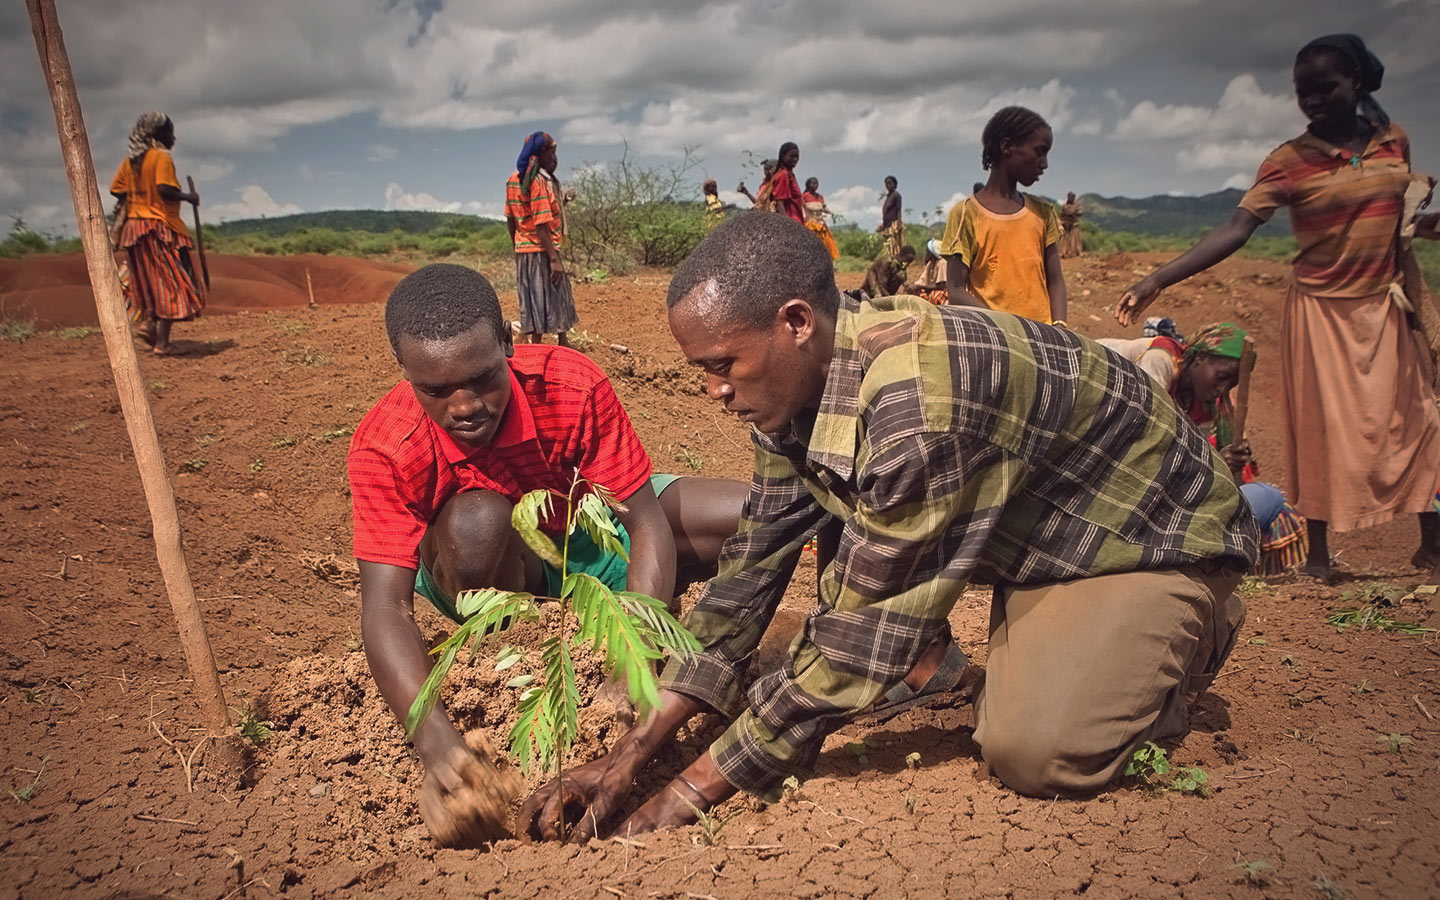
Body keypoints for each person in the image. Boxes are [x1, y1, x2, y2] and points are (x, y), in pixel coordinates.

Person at [518, 212, 1257, 842]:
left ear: (797, 323)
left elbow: (857, 641)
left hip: (1150, 537)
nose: (715, 390)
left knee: (1038, 753)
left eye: (722, 365)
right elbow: (744, 582)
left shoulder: (918, 404)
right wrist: (628, 757)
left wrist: (680, 798)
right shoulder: (790, 389)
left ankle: (1196, 621)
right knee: (908, 624)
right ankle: (1061, 646)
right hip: (1043, 540)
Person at [348, 263, 746, 848]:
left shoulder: (570, 385)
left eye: (483, 378)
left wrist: (628, 657)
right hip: (485, 566)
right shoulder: (388, 443)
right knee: (480, 519)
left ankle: (639, 597)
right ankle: (526, 638)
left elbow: (644, 520)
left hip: (586, 529)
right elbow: (386, 608)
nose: (464, 406)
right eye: (436, 390)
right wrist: (435, 740)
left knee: (757, 510)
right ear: (406, 375)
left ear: (509, 344)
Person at [1114, 34, 1440, 583]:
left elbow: (1395, 217)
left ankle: (1431, 546)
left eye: (1324, 88)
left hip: (1383, 308)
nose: (1312, 100)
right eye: (1302, 92)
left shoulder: (1393, 143)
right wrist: (1158, 278)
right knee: (1317, 427)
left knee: (1418, 420)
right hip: (1321, 314)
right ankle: (1316, 556)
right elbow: (1238, 227)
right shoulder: (1288, 162)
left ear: (1355, 82)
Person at [1098, 322, 1305, 570]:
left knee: (1267, 500)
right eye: (1221, 378)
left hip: (1151, 474)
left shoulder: (1204, 405)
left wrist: (1219, 463)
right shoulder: (1160, 360)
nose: (1222, 390)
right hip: (1109, 449)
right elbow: (1145, 443)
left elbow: (1190, 458)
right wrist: (1211, 462)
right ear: (1200, 358)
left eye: (1230, 386)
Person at [941, 106, 1068, 326]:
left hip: (1043, 339)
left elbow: (1055, 281)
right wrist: (1009, 328)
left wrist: (1060, 328)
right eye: (1040, 151)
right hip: (994, 339)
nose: (1045, 163)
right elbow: (956, 291)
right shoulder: (966, 214)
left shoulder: (1043, 213)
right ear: (1007, 147)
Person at [108, 111, 204, 356]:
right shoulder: (161, 157)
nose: (174, 137)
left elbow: (116, 189)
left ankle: (147, 326)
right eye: (170, 132)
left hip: (134, 230)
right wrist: (188, 197)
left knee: (147, 283)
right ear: (158, 134)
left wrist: (138, 194)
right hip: (159, 228)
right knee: (171, 283)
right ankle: (162, 343)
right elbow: (164, 189)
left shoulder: (132, 161)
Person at [506, 131, 577, 347]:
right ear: (541, 153)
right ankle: (548, 344)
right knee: (553, 294)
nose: (554, 159)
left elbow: (511, 218)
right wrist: (554, 258)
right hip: (543, 249)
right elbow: (541, 224)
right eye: (552, 154)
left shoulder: (513, 180)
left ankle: (536, 341)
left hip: (524, 249)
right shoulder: (537, 182)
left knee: (531, 296)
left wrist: (517, 244)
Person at [801, 177, 839, 260]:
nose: (815, 185)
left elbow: (823, 208)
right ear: (808, 185)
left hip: (821, 224)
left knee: (826, 243)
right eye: (813, 183)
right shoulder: (804, 196)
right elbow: (801, 208)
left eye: (816, 183)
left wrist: (831, 213)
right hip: (810, 224)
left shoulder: (820, 197)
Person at [768, 143, 804, 224]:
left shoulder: (790, 175)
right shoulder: (783, 175)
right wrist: (788, 225)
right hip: (791, 221)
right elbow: (779, 202)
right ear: (783, 156)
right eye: (791, 156)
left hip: (797, 220)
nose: (795, 159)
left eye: (797, 157)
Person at [906, 239, 948, 304]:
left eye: (927, 251)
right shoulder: (930, 264)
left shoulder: (942, 263)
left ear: (932, 253)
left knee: (935, 295)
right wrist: (913, 286)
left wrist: (919, 286)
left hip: (941, 292)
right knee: (917, 293)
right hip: (931, 292)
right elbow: (922, 280)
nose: (926, 253)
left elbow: (941, 286)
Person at [876, 175, 904, 256]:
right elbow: (887, 213)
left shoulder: (896, 195)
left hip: (894, 226)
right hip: (887, 226)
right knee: (888, 248)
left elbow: (899, 210)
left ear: (895, 185)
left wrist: (898, 225)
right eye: (886, 184)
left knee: (894, 247)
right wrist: (883, 225)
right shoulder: (888, 197)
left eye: (890, 183)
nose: (888, 185)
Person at [1059, 192, 1084, 258]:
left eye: (1072, 197)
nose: (1071, 198)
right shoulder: (1064, 205)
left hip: (1074, 223)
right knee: (1064, 239)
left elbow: (1080, 212)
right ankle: (1063, 252)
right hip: (1065, 223)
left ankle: (1078, 252)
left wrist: (1075, 213)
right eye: (1070, 197)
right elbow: (1061, 213)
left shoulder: (1076, 205)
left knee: (1076, 238)